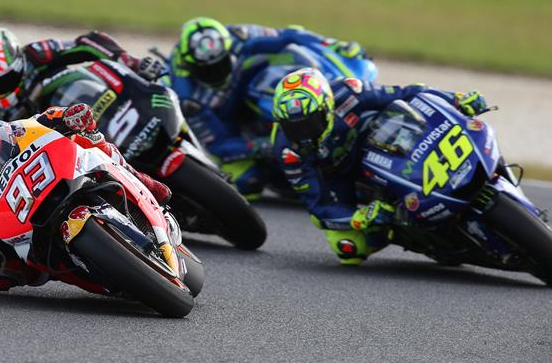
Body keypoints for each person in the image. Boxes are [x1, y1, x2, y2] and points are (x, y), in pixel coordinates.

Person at [0, 103, 171, 291]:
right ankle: (92, 276)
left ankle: (139, 178)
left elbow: (35, 124)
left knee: (84, 138)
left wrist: (66, 117)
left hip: (29, 189)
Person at [270, 68, 490, 265]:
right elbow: (318, 206)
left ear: (326, 107)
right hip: (341, 175)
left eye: (309, 123)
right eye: (293, 128)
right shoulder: (288, 151)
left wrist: (455, 99)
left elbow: (408, 93)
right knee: (350, 249)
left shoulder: (349, 92)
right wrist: (359, 217)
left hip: (381, 139)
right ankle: (408, 232)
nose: (303, 134)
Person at [166, 16, 370, 198]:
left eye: (222, 63)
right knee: (246, 181)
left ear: (228, 50)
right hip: (226, 122)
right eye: (208, 70)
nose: (217, 73)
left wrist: (335, 45)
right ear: (189, 66)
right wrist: (266, 145)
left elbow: (290, 35)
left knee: (292, 53)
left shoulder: (238, 37)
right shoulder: (187, 96)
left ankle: (336, 87)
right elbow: (219, 145)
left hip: (249, 86)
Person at [0, 27, 164, 129]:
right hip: (54, 143)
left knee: (105, 69)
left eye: (5, 79)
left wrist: (128, 60)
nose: (0, 89)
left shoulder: (35, 54)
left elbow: (88, 42)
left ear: (19, 62)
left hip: (87, 102)